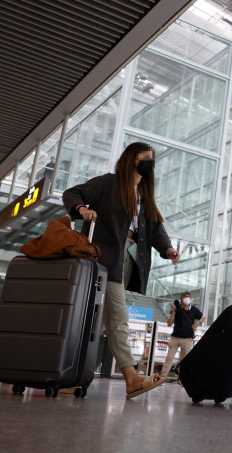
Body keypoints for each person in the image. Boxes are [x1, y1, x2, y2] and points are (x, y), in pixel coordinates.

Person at [63, 142, 180, 398]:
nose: (150, 162)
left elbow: (155, 229)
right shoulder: (109, 183)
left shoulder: (144, 196)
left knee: (98, 323)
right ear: (131, 159)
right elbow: (73, 193)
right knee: (117, 317)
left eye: (152, 158)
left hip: (128, 260)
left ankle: (71, 376)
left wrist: (167, 249)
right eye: (145, 157)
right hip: (103, 258)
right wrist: (82, 209)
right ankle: (131, 378)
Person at [160, 291, 204, 379]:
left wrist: (197, 323)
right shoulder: (177, 309)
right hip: (175, 338)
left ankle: (183, 378)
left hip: (187, 339)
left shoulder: (194, 309)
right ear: (181, 298)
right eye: (185, 296)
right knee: (169, 358)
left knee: (184, 360)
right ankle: (163, 376)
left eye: (189, 297)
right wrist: (173, 312)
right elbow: (169, 323)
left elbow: (203, 317)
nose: (187, 298)